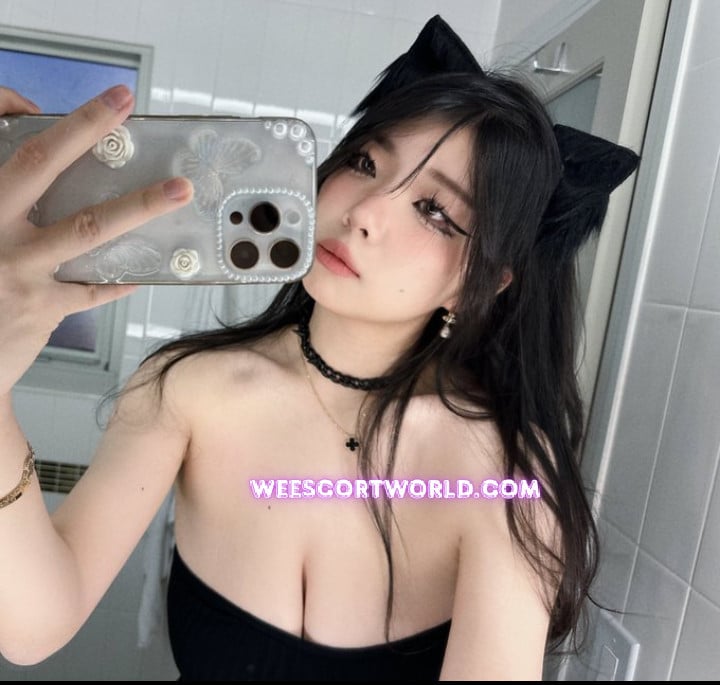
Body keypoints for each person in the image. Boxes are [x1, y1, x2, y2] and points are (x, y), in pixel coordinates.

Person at [0, 15, 639, 682]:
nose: (364, 210)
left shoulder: (504, 470)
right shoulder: (186, 388)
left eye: (434, 211)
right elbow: (34, 628)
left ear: (482, 282)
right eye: (366, 163)